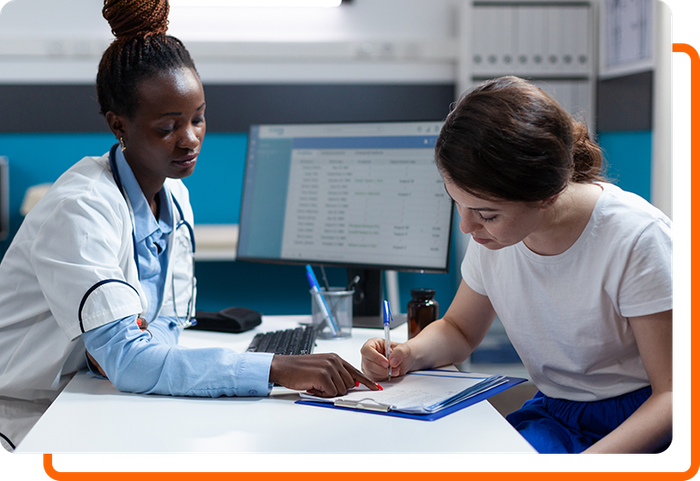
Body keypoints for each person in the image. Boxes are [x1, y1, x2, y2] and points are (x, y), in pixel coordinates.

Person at [0, 0, 376, 455]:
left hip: (95, 397)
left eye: (198, 118)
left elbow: (162, 329)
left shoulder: (174, 196)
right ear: (119, 125)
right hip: (27, 415)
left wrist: (149, 363)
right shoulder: (80, 211)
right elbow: (127, 359)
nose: (191, 138)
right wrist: (272, 368)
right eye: (167, 127)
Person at [360, 76, 674, 455]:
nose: (467, 226)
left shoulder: (637, 239)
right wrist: (409, 354)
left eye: (486, 214)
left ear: (547, 195)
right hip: (556, 412)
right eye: (457, 202)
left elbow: (673, 396)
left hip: (640, 419)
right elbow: (459, 330)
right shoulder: (496, 236)